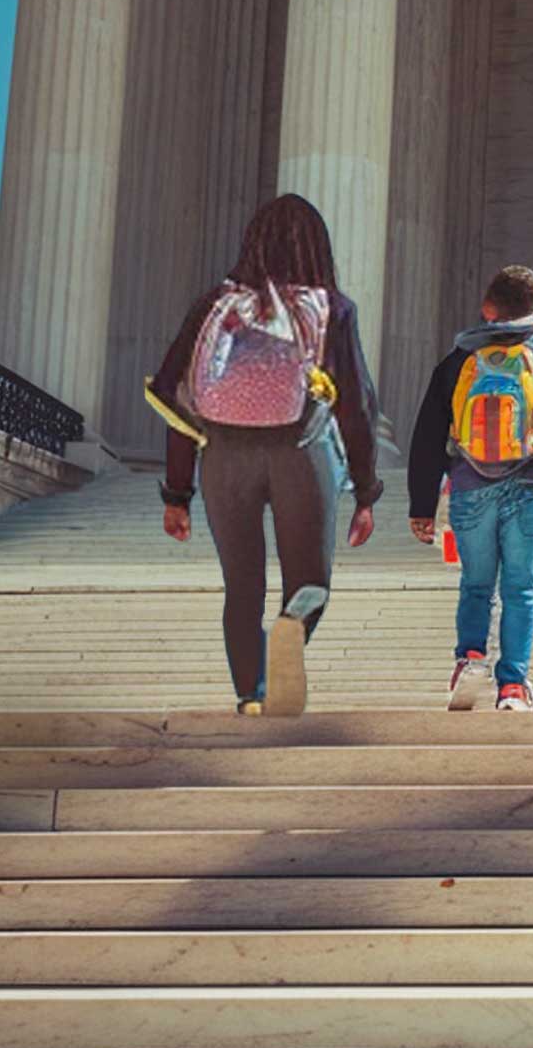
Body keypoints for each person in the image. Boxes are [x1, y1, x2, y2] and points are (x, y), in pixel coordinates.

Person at [148, 193, 379, 722]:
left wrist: (176, 494)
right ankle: (290, 634)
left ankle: (252, 694)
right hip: (302, 452)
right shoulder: (332, 308)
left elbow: (180, 404)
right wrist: (366, 491)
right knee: (308, 583)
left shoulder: (214, 307)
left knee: (242, 587)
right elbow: (356, 407)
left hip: (224, 457)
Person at [408, 262, 533, 716]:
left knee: (476, 583)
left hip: (470, 486)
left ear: (487, 309)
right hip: (530, 486)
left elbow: (427, 436)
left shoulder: (457, 362)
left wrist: (420, 504)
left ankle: (470, 657)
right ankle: (512, 686)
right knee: (521, 588)